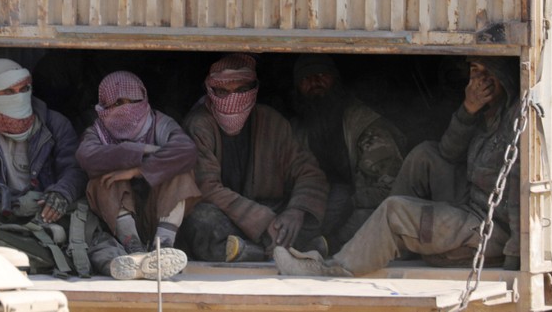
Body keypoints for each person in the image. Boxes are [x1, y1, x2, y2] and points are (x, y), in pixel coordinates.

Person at [274, 56, 522, 276]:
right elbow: (448, 152)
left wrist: (514, 255)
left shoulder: (517, 120)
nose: (480, 81)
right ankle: (394, 242)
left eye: (488, 74)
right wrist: (468, 110)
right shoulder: (487, 113)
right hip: (469, 208)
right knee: (426, 153)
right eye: (475, 71)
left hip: (489, 232)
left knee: (394, 211)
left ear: (505, 77)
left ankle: (333, 268)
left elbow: (520, 189)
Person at [0, 58, 166, 280]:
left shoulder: (54, 124)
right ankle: (61, 258)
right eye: (8, 92)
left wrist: (62, 193)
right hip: (7, 229)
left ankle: (129, 265)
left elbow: (76, 168)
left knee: (89, 236)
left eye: (24, 88)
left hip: (52, 220)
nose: (19, 97)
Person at [180, 53, 328, 262]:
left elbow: (309, 172)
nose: (232, 98)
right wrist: (262, 220)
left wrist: (296, 211)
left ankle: (256, 250)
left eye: (241, 90)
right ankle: (274, 252)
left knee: (328, 203)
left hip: (272, 212)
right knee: (201, 219)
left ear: (253, 89)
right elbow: (205, 188)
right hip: (226, 213)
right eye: (223, 91)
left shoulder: (273, 122)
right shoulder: (199, 125)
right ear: (211, 91)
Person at [76, 70, 200, 278]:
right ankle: (134, 248)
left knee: (180, 171)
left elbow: (186, 151)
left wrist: (138, 170)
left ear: (142, 99)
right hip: (117, 223)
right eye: (115, 104)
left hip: (158, 214)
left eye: (128, 102)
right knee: (104, 179)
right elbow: (87, 157)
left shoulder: (160, 123)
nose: (122, 109)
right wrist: (140, 150)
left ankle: (163, 248)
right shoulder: (98, 131)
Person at [290, 54, 407, 255]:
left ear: (335, 80)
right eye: (305, 79)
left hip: (364, 208)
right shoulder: (301, 132)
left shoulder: (365, 127)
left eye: (321, 75)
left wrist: (351, 201)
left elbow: (394, 188)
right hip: (328, 205)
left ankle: (331, 245)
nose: (314, 83)